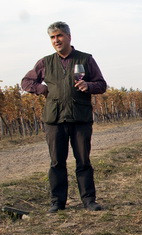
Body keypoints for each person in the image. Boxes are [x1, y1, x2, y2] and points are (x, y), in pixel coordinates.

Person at [21, 21, 107, 212]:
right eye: (52, 37)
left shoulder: (86, 59)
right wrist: (40, 88)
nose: (56, 40)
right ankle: (57, 203)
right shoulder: (45, 62)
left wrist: (89, 86)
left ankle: (89, 200)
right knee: (57, 162)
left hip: (80, 118)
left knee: (83, 161)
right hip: (54, 119)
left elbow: (101, 84)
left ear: (68, 36)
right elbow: (26, 81)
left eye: (59, 35)